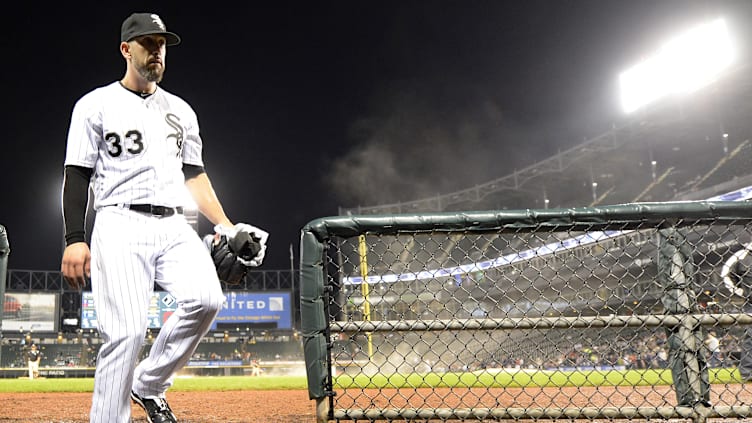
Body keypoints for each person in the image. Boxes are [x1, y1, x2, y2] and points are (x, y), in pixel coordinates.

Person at [60, 12, 265, 423]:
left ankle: (148, 383)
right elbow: (76, 175)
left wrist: (225, 226)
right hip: (119, 223)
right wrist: (74, 238)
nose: (157, 50)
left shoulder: (181, 111)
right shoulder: (94, 105)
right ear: (126, 49)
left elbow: (195, 174)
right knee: (126, 334)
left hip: (174, 224)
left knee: (207, 299)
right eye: (148, 43)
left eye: (162, 43)